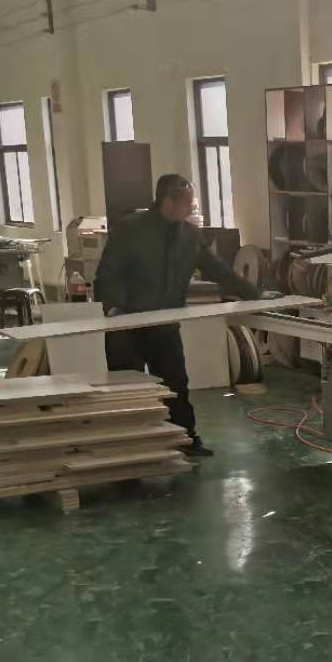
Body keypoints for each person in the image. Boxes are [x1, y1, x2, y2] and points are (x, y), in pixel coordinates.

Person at [94, 174, 263, 456]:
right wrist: (114, 310)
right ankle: (129, 450)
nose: (192, 208)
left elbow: (217, 270)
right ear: (169, 202)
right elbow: (107, 275)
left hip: (164, 326)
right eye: (189, 203)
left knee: (175, 384)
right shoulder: (130, 229)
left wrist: (253, 294)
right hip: (126, 326)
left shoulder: (189, 236)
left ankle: (184, 439)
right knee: (128, 390)